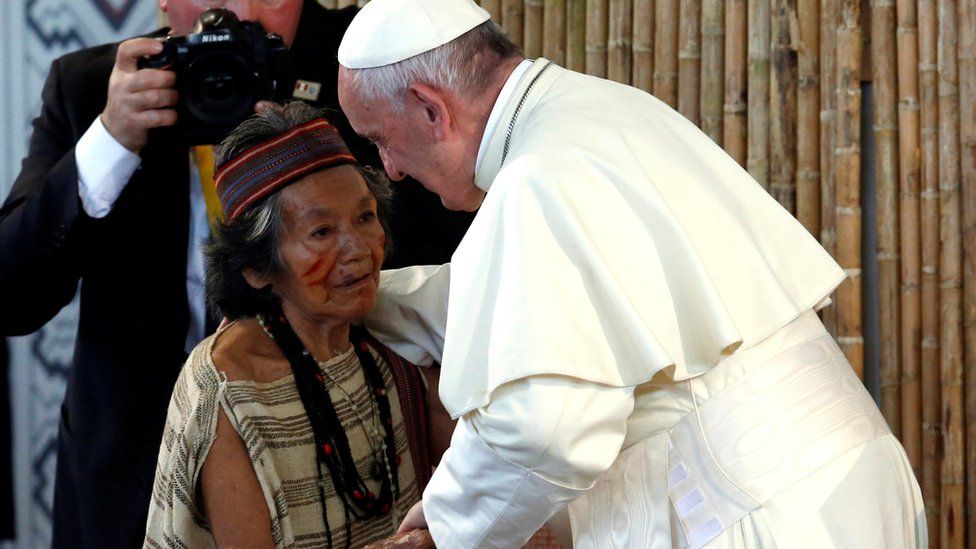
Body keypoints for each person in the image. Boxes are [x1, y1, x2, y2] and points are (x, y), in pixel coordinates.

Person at [335, 0, 928, 546]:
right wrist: (358, 299)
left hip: (753, 513)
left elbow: (545, 428)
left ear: (431, 109)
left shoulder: (537, 175)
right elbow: (513, 305)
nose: (393, 169)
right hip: (842, 482)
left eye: (381, 140)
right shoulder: (596, 113)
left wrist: (448, 523)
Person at [0, 0, 467, 546]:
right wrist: (111, 141)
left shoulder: (367, 59)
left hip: (351, 459)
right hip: (131, 469)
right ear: (165, 2)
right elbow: (13, 297)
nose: (240, 13)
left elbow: (458, 250)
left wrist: (309, 145)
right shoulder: (99, 86)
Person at [145, 103, 444, 548]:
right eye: (321, 232)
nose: (358, 249)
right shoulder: (228, 391)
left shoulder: (396, 341)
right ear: (258, 268)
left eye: (365, 217)